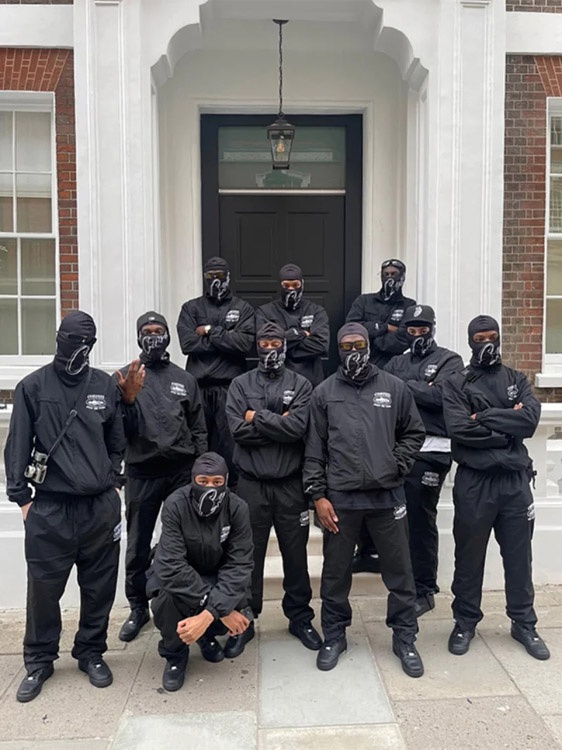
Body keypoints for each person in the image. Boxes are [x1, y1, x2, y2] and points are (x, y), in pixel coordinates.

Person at [4, 311, 125, 703]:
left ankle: (91, 652)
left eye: (84, 342)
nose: (76, 348)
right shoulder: (33, 386)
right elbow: (17, 445)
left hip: (98, 507)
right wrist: (23, 500)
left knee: (99, 587)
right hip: (50, 509)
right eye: (71, 340)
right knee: (43, 590)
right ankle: (40, 660)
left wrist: (114, 484)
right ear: (58, 340)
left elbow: (117, 441)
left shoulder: (104, 385)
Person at [304, 322, 426, 676]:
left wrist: (396, 464)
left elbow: (414, 432)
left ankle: (405, 637)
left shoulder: (394, 387)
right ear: (338, 350)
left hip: (387, 497)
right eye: (346, 346)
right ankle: (334, 635)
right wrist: (318, 496)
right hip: (341, 500)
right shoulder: (324, 393)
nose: (353, 351)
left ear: (369, 346)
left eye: (359, 344)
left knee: (400, 572)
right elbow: (313, 450)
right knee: (335, 574)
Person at [442, 315, 550, 660]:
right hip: (475, 482)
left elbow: (529, 421)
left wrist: (484, 416)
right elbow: (460, 429)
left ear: (500, 338)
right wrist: (507, 424)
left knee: (519, 557)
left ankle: (524, 623)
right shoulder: (456, 383)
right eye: (479, 338)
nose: (486, 344)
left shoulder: (516, 379)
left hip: (515, 482)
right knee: (469, 556)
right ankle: (465, 622)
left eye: (492, 337)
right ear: (469, 341)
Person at [225, 322, 321, 650]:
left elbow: (297, 429)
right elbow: (237, 431)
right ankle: (244, 619)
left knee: (296, 555)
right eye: (264, 343)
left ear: (284, 345)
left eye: (275, 342)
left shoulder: (301, 384)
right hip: (251, 485)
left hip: (290, 485)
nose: (270, 348)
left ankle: (300, 617)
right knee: (246, 555)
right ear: (257, 346)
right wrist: (280, 421)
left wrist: (257, 417)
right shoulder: (239, 384)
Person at [115, 311, 208, 643]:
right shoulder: (125, 377)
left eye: (159, 330)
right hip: (141, 473)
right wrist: (128, 398)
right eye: (147, 331)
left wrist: (200, 469)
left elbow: (198, 428)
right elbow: (116, 430)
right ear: (138, 336)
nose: (153, 336)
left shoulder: (185, 379)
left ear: (168, 336)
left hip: (180, 473)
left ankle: (187, 603)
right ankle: (138, 607)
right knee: (138, 544)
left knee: (186, 541)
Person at [148, 452, 254, 692]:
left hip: (217, 574)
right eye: (203, 481)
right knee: (166, 600)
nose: (210, 487)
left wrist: (211, 613)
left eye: (217, 482)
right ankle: (175, 655)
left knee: (238, 599)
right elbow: (171, 564)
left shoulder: (237, 508)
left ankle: (205, 634)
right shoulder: (176, 504)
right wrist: (213, 608)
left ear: (226, 481)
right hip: (182, 576)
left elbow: (239, 564)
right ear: (193, 479)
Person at [385, 305, 464, 616]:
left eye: (423, 329)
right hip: (400, 448)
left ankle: (425, 589)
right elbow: (385, 395)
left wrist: (404, 386)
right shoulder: (396, 361)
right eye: (412, 330)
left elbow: (443, 397)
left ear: (433, 328)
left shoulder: (450, 360)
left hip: (433, 451)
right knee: (396, 518)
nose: (418, 335)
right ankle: (402, 582)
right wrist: (423, 388)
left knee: (420, 519)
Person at [346, 259, 416, 574]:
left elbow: (404, 340)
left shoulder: (410, 306)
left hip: (391, 387)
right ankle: (362, 549)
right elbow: (352, 330)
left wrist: (376, 335)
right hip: (357, 386)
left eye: (395, 274)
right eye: (386, 274)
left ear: (402, 277)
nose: (390, 278)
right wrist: (384, 329)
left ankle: (379, 553)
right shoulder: (364, 301)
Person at [176, 256, 255, 483]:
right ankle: (198, 487)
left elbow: (244, 344)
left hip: (230, 388)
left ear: (228, 277)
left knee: (231, 443)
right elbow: (188, 344)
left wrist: (210, 331)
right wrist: (226, 338)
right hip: (198, 388)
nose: (215, 280)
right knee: (198, 442)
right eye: (211, 276)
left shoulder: (242, 308)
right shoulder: (191, 308)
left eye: (220, 276)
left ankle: (233, 490)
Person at [256, 263, 329, 387]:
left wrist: (282, 342)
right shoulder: (265, 312)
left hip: (310, 381)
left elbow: (321, 345)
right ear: (280, 285)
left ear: (302, 284)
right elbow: (266, 345)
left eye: (296, 285)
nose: (291, 289)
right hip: (276, 382)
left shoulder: (316, 311)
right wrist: (301, 334)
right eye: (286, 285)